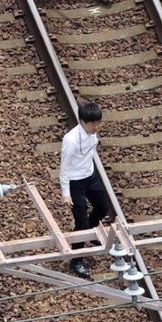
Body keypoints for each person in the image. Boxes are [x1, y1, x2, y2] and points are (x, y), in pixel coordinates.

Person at [59, 100, 109, 277]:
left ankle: (91, 231)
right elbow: (63, 168)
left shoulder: (93, 134)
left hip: (90, 177)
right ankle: (76, 259)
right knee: (81, 223)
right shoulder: (71, 141)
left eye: (98, 123)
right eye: (93, 124)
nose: (96, 127)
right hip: (75, 183)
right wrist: (66, 193)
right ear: (82, 122)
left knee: (103, 207)